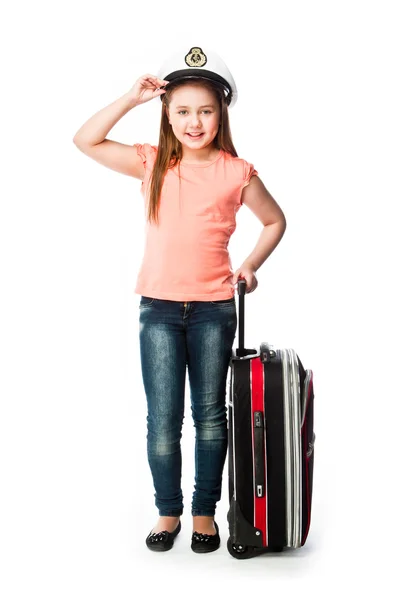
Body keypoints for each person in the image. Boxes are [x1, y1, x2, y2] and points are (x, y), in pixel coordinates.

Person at [73, 46, 287, 553]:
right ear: (167, 115)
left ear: (222, 114)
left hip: (214, 309)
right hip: (160, 311)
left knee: (211, 417)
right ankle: (167, 510)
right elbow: (85, 139)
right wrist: (131, 97)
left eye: (206, 111)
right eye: (183, 111)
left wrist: (251, 265)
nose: (195, 121)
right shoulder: (152, 163)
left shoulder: (237, 172)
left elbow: (276, 220)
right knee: (163, 419)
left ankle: (204, 513)